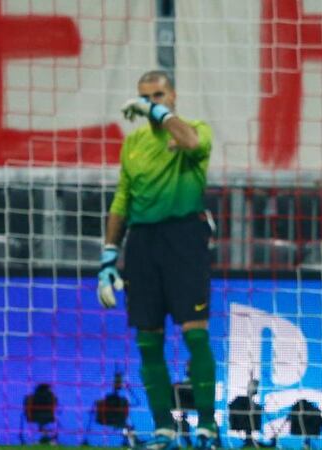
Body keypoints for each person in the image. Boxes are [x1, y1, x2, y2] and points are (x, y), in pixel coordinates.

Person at [97, 70, 216, 450]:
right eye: (145, 96)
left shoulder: (194, 129)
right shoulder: (132, 143)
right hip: (143, 243)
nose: (152, 101)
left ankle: (208, 425)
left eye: (159, 94)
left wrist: (156, 111)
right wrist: (108, 257)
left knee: (194, 331)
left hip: (184, 238)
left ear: (173, 95)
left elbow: (191, 141)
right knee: (148, 341)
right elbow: (122, 199)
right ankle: (163, 428)